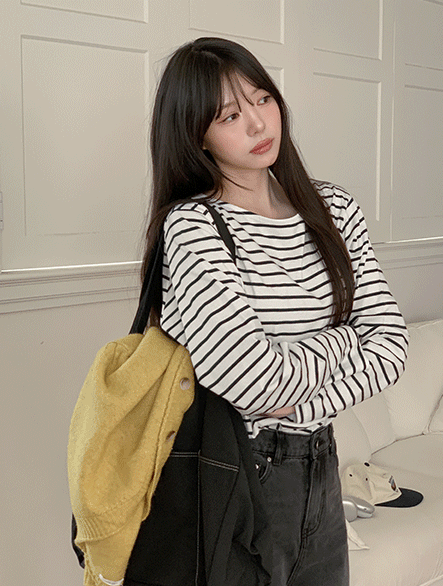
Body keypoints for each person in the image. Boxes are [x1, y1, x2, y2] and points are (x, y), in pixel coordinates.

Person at [141, 37, 409, 586]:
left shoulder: (334, 209)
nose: (258, 124)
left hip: (323, 467)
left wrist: (299, 399)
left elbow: (391, 347)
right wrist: (345, 339)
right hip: (242, 473)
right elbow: (259, 385)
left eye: (263, 99)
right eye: (229, 115)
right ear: (196, 134)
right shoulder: (193, 228)